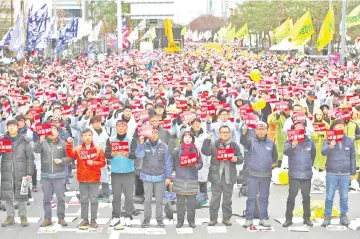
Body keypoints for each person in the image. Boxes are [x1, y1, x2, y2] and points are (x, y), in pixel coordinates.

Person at [202, 125, 243, 226]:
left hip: (229, 177)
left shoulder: (234, 145)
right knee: (215, 199)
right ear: (219, 134)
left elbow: (241, 158)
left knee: (227, 200)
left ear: (229, 134)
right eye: (223, 132)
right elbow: (205, 152)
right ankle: (213, 218)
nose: (225, 134)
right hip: (216, 176)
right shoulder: (214, 144)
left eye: (227, 132)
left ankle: (226, 218)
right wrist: (207, 141)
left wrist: (236, 159)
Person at [66, 128, 106, 228]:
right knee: (83, 199)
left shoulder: (98, 149)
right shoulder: (78, 149)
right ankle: (85, 219)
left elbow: (103, 163)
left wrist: (93, 163)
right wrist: (69, 144)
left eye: (89, 135)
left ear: (92, 137)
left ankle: (93, 219)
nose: (87, 137)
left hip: (94, 178)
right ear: (82, 137)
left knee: (94, 200)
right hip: (82, 178)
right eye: (85, 136)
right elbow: (70, 154)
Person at [241, 121, 278, 228]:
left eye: (263, 129)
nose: (261, 131)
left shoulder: (271, 143)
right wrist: (243, 133)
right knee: (251, 198)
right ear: (256, 131)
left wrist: (270, 165)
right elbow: (243, 141)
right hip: (252, 174)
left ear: (266, 130)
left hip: (266, 175)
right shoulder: (251, 141)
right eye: (259, 129)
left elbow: (275, 158)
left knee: (264, 198)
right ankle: (248, 219)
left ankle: (263, 218)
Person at [321, 119, 356, 227]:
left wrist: (352, 172)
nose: (340, 127)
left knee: (344, 197)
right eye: (338, 125)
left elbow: (352, 158)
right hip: (332, 172)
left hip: (345, 173)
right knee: (329, 196)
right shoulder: (328, 139)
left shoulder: (349, 140)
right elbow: (323, 152)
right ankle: (327, 216)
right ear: (333, 127)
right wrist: (330, 146)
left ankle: (343, 216)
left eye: (342, 125)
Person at [135, 128, 173, 228]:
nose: (154, 134)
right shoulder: (144, 144)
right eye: (152, 132)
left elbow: (168, 162)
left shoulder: (164, 146)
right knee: (147, 200)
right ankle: (146, 219)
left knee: (159, 200)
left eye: (156, 132)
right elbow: (139, 155)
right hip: (147, 177)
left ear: (158, 134)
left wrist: (168, 176)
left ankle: (159, 219)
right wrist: (141, 143)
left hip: (160, 177)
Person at [33, 125, 70, 227]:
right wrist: (40, 140)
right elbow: (35, 150)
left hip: (59, 174)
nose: (52, 132)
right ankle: (47, 218)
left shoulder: (63, 144)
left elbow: (70, 157)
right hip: (46, 175)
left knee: (60, 198)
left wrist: (62, 161)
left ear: (58, 132)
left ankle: (61, 218)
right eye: (50, 130)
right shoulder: (43, 143)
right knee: (46, 198)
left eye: (55, 130)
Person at [1, 120, 35, 227]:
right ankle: (10, 216)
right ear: (7, 128)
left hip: (22, 171)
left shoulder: (24, 141)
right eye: (9, 126)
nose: (11, 128)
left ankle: (23, 216)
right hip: (7, 170)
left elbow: (30, 157)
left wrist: (30, 173)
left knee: (22, 194)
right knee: (8, 194)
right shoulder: (3, 140)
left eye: (13, 126)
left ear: (17, 127)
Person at [282, 122, 316, 227]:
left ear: (304, 130)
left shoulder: (310, 142)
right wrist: (292, 146)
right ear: (293, 130)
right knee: (291, 197)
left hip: (306, 174)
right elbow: (285, 152)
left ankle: (306, 218)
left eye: (302, 128)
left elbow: (313, 156)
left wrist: (308, 166)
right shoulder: (290, 141)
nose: (300, 129)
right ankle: (288, 219)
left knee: (306, 197)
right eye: (297, 128)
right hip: (294, 174)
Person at [105, 120, 136, 227]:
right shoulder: (110, 139)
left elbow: (135, 154)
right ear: (115, 128)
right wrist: (112, 154)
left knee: (129, 197)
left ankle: (128, 216)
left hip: (128, 172)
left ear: (126, 128)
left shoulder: (132, 140)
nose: (120, 128)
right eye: (118, 126)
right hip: (116, 172)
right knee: (116, 196)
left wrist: (128, 154)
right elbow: (106, 154)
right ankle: (115, 216)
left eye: (123, 127)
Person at [171, 131, 203, 228]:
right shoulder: (177, 150)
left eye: (190, 137)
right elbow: (172, 160)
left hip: (192, 179)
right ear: (182, 138)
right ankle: (180, 220)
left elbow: (200, 163)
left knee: (191, 203)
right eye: (185, 137)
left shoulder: (196, 150)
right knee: (180, 203)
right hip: (180, 178)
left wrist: (195, 166)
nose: (187, 138)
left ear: (192, 139)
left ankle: (191, 220)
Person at [89, 116, 110, 201]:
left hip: (102, 157)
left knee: (104, 175)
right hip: (91, 157)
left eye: (99, 122)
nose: (97, 124)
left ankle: (105, 193)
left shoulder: (104, 133)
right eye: (95, 122)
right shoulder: (88, 132)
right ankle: (93, 193)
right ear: (92, 123)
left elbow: (108, 145)